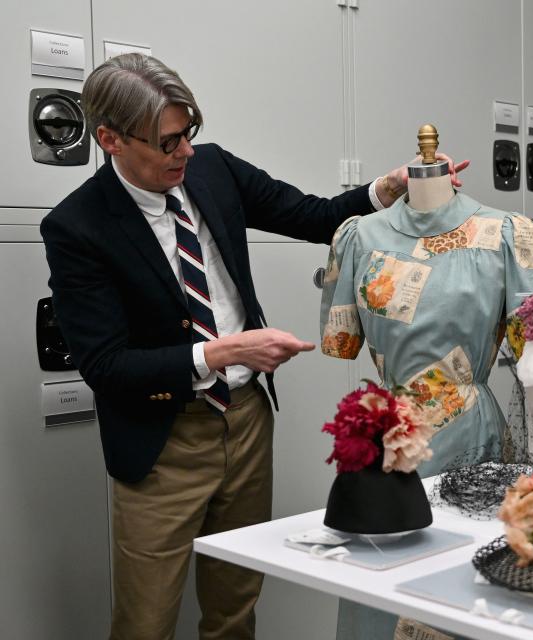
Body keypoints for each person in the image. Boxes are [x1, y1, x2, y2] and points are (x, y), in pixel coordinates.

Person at [39, 53, 466, 640]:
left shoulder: (211, 170)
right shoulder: (77, 226)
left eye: (190, 132)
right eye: (167, 143)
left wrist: (384, 189)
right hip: (162, 445)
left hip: (245, 425)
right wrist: (224, 353)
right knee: (144, 622)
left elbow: (313, 216)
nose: (185, 152)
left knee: (235, 609)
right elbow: (106, 366)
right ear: (110, 139)